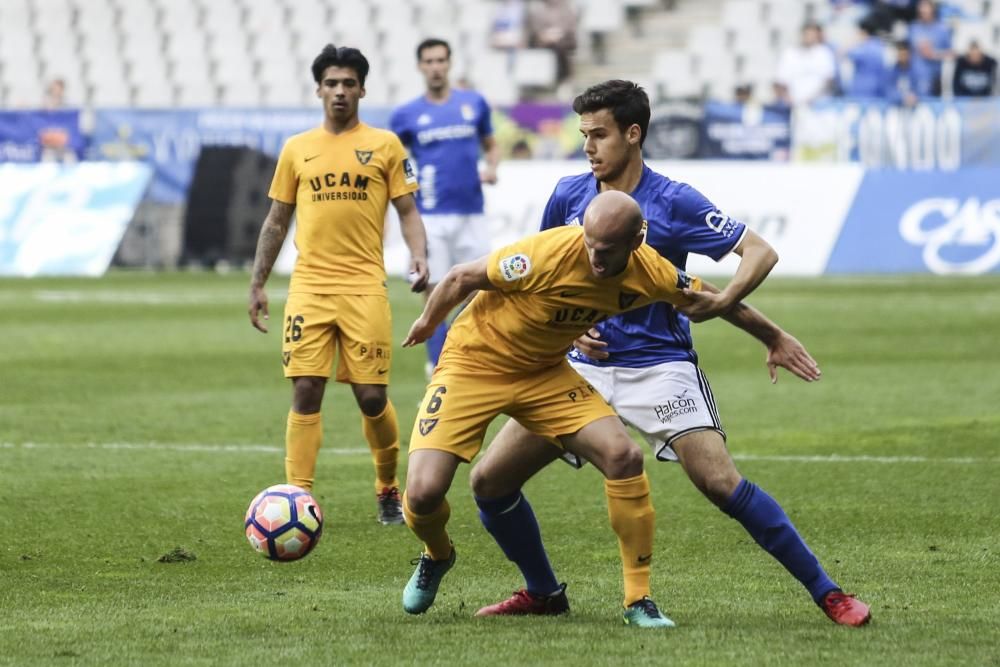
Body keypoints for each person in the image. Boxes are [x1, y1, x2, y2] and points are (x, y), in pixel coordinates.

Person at [467, 80, 872, 628]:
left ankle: (829, 593)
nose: (588, 147)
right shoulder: (567, 195)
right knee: (489, 482)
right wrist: (566, 332)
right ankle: (543, 592)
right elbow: (541, 279)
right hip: (581, 370)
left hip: (661, 367)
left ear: (633, 134)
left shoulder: (673, 200)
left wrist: (736, 305)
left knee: (721, 482)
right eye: (583, 134)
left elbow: (758, 250)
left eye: (599, 134)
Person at [398, 190, 735, 628]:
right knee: (423, 494)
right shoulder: (544, 253)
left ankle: (639, 600)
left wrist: (772, 335)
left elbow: (705, 297)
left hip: (543, 373)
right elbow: (462, 277)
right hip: (472, 365)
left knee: (624, 456)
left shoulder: (650, 269)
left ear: (636, 241)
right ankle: (437, 554)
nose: (594, 256)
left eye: (606, 249)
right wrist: (427, 321)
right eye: (589, 243)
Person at [247, 44, 429, 526]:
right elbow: (276, 220)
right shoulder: (297, 149)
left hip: (364, 286)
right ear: (319, 90)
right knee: (306, 389)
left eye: (349, 83)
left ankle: (387, 485)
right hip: (309, 287)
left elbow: (408, 210)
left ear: (362, 89)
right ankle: (296, 496)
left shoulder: (386, 145)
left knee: (371, 397)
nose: (340, 92)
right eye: (332, 83)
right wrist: (258, 282)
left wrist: (419, 255)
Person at [390, 38, 499, 377]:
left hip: (472, 213)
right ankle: (437, 367)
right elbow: (393, 160)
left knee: (482, 291)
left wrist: (492, 167)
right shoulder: (406, 115)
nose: (436, 66)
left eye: (440, 60)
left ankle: (470, 356)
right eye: (429, 61)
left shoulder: (474, 104)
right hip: (431, 215)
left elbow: (490, 144)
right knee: (435, 293)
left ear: (449, 63)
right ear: (420, 66)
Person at [775, 23, 838, 105]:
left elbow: (829, 80)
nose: (810, 37)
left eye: (813, 35)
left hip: (817, 104)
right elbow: (780, 81)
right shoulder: (790, 53)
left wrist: (812, 98)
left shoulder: (824, 53)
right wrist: (787, 99)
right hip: (793, 104)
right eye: (808, 34)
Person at [908, 0, 951, 96]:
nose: (923, 11)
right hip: (915, 77)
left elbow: (951, 53)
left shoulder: (942, 29)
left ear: (932, 9)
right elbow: (907, 52)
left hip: (934, 78)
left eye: (926, 8)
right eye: (921, 8)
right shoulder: (913, 28)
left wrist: (933, 54)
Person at [845, 18, 889, 97]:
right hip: (879, 87)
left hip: (862, 88)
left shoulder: (863, 48)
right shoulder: (881, 46)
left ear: (864, 32)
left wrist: (855, 42)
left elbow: (846, 53)